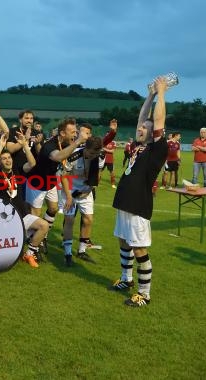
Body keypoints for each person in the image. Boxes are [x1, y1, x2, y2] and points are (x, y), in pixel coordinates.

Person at [111, 77, 170, 307]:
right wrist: (150, 95)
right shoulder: (138, 145)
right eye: (140, 127)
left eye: (145, 128)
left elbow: (157, 120)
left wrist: (162, 92)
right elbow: (142, 117)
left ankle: (144, 293)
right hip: (124, 203)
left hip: (138, 206)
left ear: (153, 132)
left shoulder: (157, 148)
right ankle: (126, 280)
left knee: (139, 248)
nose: (140, 128)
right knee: (124, 242)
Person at [25, 118, 89, 254]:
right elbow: (58, 157)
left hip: (51, 182)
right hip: (37, 183)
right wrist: (78, 141)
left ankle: (44, 236)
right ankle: (33, 244)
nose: (75, 134)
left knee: (53, 209)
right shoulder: (50, 145)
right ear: (62, 133)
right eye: (72, 132)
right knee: (35, 216)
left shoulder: (66, 143)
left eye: (76, 132)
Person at [0, 133, 48, 268]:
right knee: (7, 258)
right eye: (4, 159)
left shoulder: (18, 171)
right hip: (7, 220)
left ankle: (29, 253)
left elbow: (32, 163)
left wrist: (25, 145)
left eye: (9, 157)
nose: (7, 160)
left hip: (23, 216)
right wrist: (1, 147)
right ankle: (19, 247)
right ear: (0, 162)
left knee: (44, 226)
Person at [59, 127, 103, 266]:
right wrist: (69, 196)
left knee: (88, 219)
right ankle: (67, 254)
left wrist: (89, 189)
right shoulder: (74, 155)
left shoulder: (100, 157)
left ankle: (82, 251)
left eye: (95, 154)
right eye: (90, 153)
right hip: (69, 189)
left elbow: (97, 177)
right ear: (85, 148)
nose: (92, 156)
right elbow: (64, 177)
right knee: (70, 219)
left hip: (86, 190)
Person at [100, 119, 117, 188]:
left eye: (109, 135)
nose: (108, 136)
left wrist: (104, 149)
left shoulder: (113, 142)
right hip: (103, 159)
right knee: (99, 171)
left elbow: (112, 151)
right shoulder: (102, 141)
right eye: (107, 135)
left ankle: (113, 184)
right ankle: (97, 183)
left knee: (112, 172)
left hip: (110, 160)